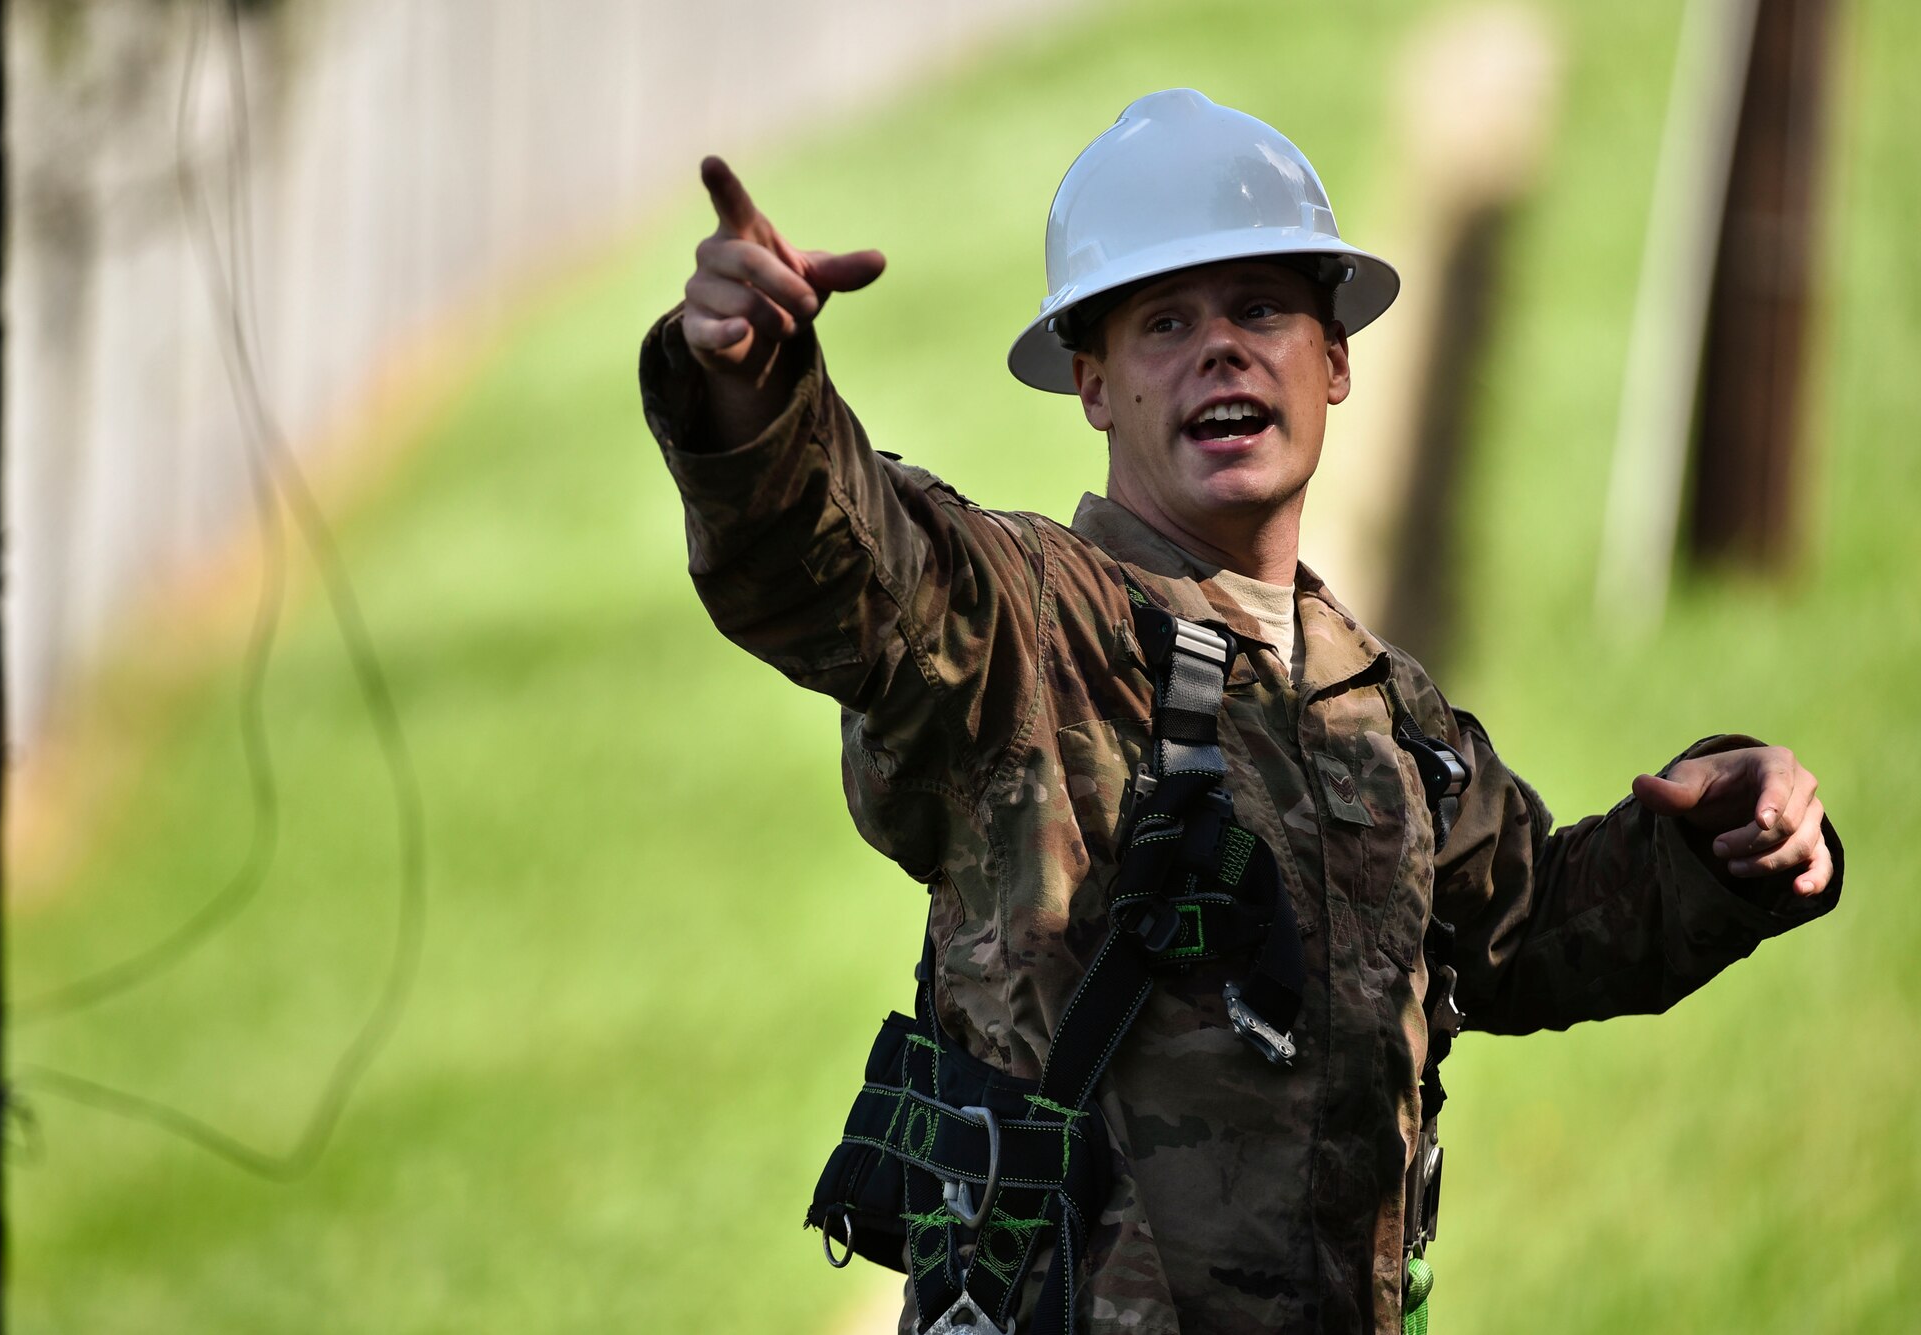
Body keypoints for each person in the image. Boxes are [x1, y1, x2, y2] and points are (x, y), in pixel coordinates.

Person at [638, 89, 1840, 1335]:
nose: (1220, 349)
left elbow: (1531, 926)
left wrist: (1724, 834)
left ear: (1333, 360)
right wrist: (751, 390)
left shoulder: (1384, 716)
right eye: (1164, 321)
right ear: (1093, 385)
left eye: (1260, 308)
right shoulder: (1029, 632)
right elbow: (843, 568)